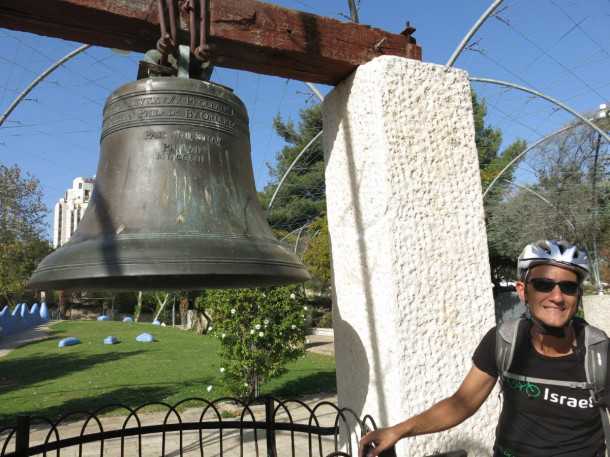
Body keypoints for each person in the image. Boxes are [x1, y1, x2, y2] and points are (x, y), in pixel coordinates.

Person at [359, 240, 609, 457]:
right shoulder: (504, 341)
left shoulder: (600, 353)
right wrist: (398, 430)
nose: (557, 296)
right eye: (544, 284)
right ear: (523, 291)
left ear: (577, 295)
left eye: (568, 287)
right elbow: (462, 403)